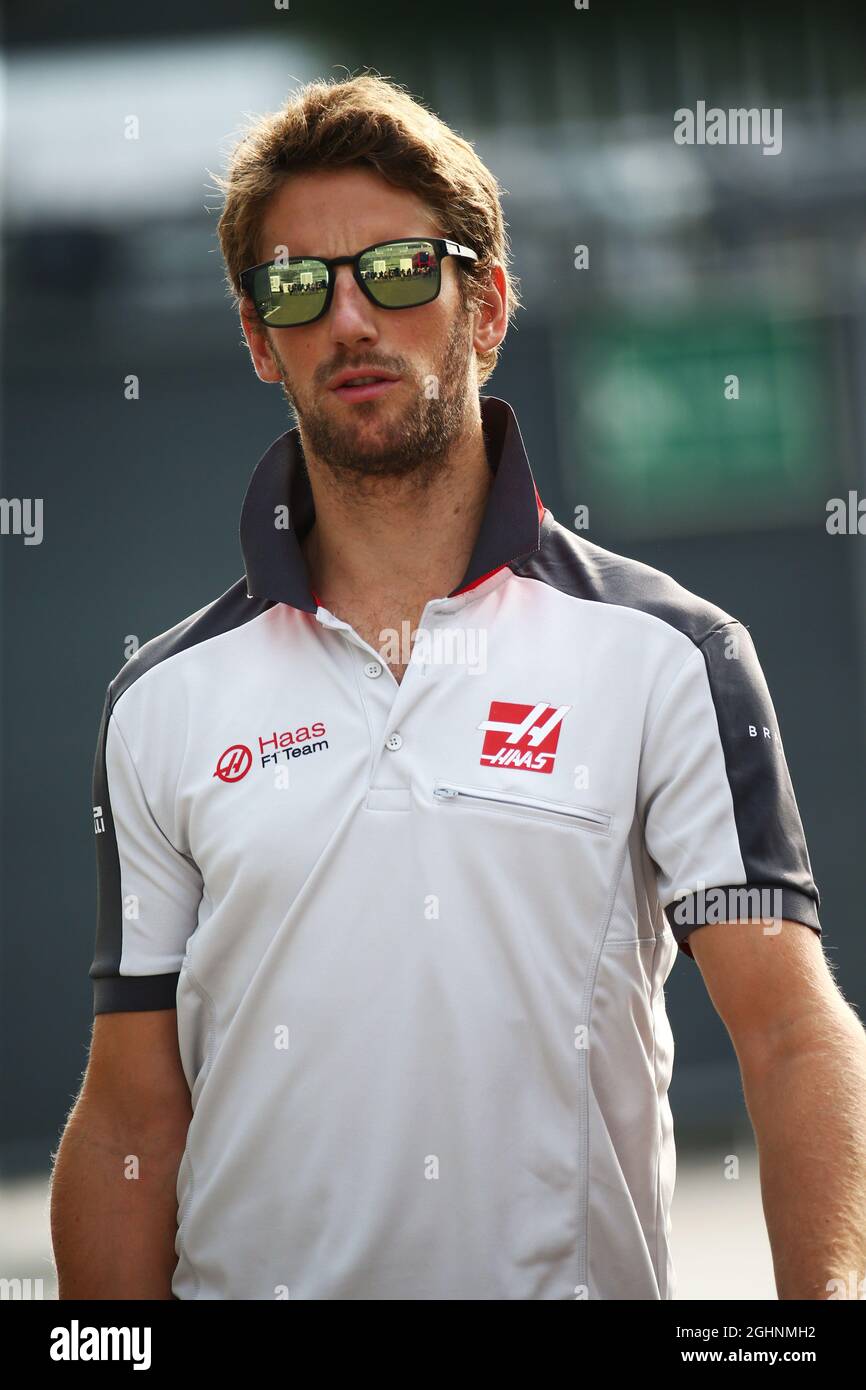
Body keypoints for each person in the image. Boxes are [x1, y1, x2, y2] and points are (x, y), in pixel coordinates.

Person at [51, 73, 866, 1301]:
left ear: (483, 304)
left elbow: (791, 1035)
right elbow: (127, 1120)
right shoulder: (160, 702)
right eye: (295, 286)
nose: (347, 319)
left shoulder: (669, 655)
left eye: (394, 271)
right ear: (255, 336)